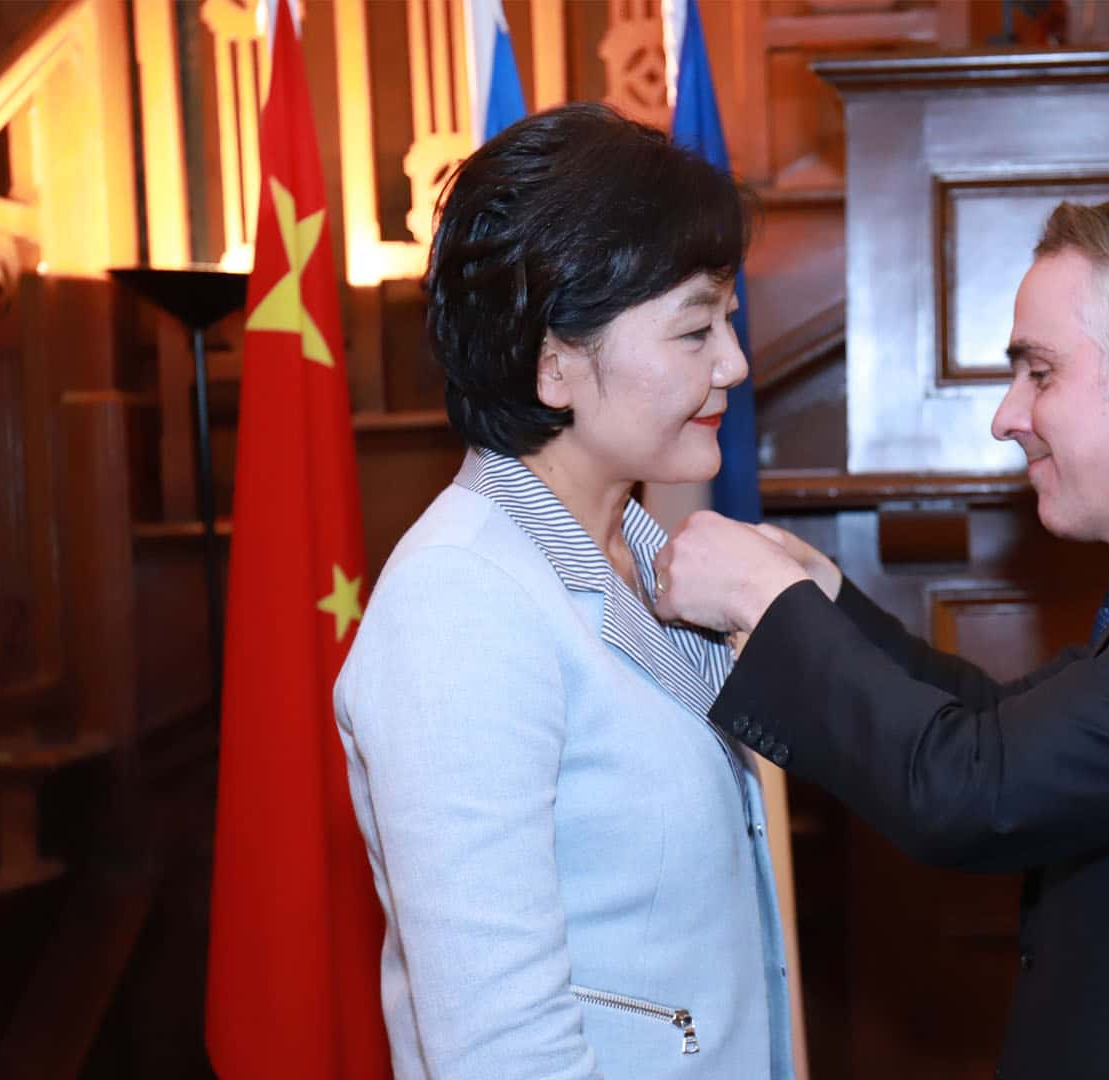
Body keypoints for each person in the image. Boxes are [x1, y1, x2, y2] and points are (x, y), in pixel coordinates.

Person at [653, 194, 1109, 1078]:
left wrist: (766, 607)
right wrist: (825, 602)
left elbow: (977, 789)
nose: (1007, 415)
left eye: (1039, 373)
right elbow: (1009, 727)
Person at [333, 103, 793, 1080]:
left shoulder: (647, 553)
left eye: (730, 323)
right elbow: (501, 1052)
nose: (734, 364)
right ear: (554, 363)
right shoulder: (459, 606)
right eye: (696, 330)